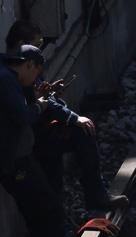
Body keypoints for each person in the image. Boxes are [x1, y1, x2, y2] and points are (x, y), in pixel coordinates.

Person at [6, 21, 127, 214]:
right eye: (37, 46)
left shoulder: (24, 65)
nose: (40, 51)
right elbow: (33, 104)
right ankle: (95, 197)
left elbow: (39, 97)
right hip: (28, 140)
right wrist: (71, 117)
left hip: (38, 132)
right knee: (81, 133)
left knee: (52, 178)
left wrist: (49, 95)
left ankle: (61, 216)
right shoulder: (20, 68)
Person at [0, 45, 68, 237]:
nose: (36, 79)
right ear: (28, 65)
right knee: (45, 208)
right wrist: (41, 104)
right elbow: (23, 115)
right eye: (36, 73)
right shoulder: (7, 80)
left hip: (14, 160)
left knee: (35, 210)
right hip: (15, 162)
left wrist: (37, 96)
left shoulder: (7, 77)